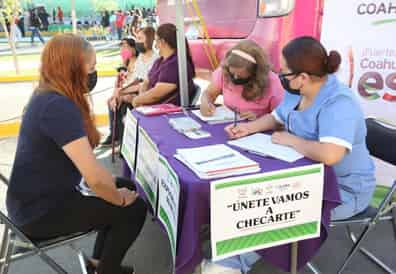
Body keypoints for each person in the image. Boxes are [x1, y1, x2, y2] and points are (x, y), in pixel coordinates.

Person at [201, 36, 376, 274]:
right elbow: (277, 117)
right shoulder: (298, 91)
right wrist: (248, 128)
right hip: (306, 178)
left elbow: (331, 154)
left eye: (283, 71)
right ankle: (229, 254)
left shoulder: (339, 102)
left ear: (302, 77)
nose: (279, 75)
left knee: (271, 210)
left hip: (341, 191)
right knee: (254, 197)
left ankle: (226, 266)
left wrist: (292, 140)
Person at [6, 34, 147, 274]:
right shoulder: (57, 106)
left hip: (35, 200)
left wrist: (114, 191)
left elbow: (89, 169)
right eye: (91, 67)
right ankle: (107, 270)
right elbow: (93, 177)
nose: (94, 73)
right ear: (71, 68)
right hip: (40, 212)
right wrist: (118, 198)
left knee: (123, 186)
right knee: (133, 209)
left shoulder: (49, 95)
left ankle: (100, 264)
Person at [200, 40, 283, 121]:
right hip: (230, 123)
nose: (235, 78)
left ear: (255, 73)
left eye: (240, 76)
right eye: (232, 74)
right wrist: (205, 102)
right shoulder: (223, 72)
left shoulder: (272, 82)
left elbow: (281, 118)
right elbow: (209, 93)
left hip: (258, 129)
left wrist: (258, 118)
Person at [102, 27, 158, 146]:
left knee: (122, 101)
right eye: (136, 38)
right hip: (135, 91)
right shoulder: (140, 59)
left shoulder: (155, 59)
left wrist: (122, 93)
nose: (137, 41)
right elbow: (135, 81)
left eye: (140, 38)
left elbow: (143, 84)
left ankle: (123, 141)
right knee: (116, 100)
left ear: (149, 40)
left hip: (147, 94)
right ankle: (117, 137)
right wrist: (120, 91)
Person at [132, 23, 196, 108]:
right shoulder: (159, 61)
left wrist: (137, 100)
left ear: (162, 42)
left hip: (165, 112)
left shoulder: (175, 64)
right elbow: (146, 82)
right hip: (151, 107)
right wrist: (141, 100)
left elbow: (156, 95)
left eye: (156, 41)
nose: (155, 45)